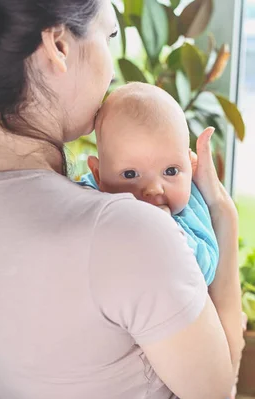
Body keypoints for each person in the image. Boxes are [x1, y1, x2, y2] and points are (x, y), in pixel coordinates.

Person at [0, 0, 244, 399]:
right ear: (58, 44)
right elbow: (217, 390)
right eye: (109, 36)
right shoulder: (128, 235)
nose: (110, 66)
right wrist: (224, 221)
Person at [79, 82, 220, 286]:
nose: (154, 188)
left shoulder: (190, 207)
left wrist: (170, 234)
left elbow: (206, 270)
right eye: (130, 174)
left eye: (170, 171)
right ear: (98, 175)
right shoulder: (87, 197)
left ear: (190, 166)